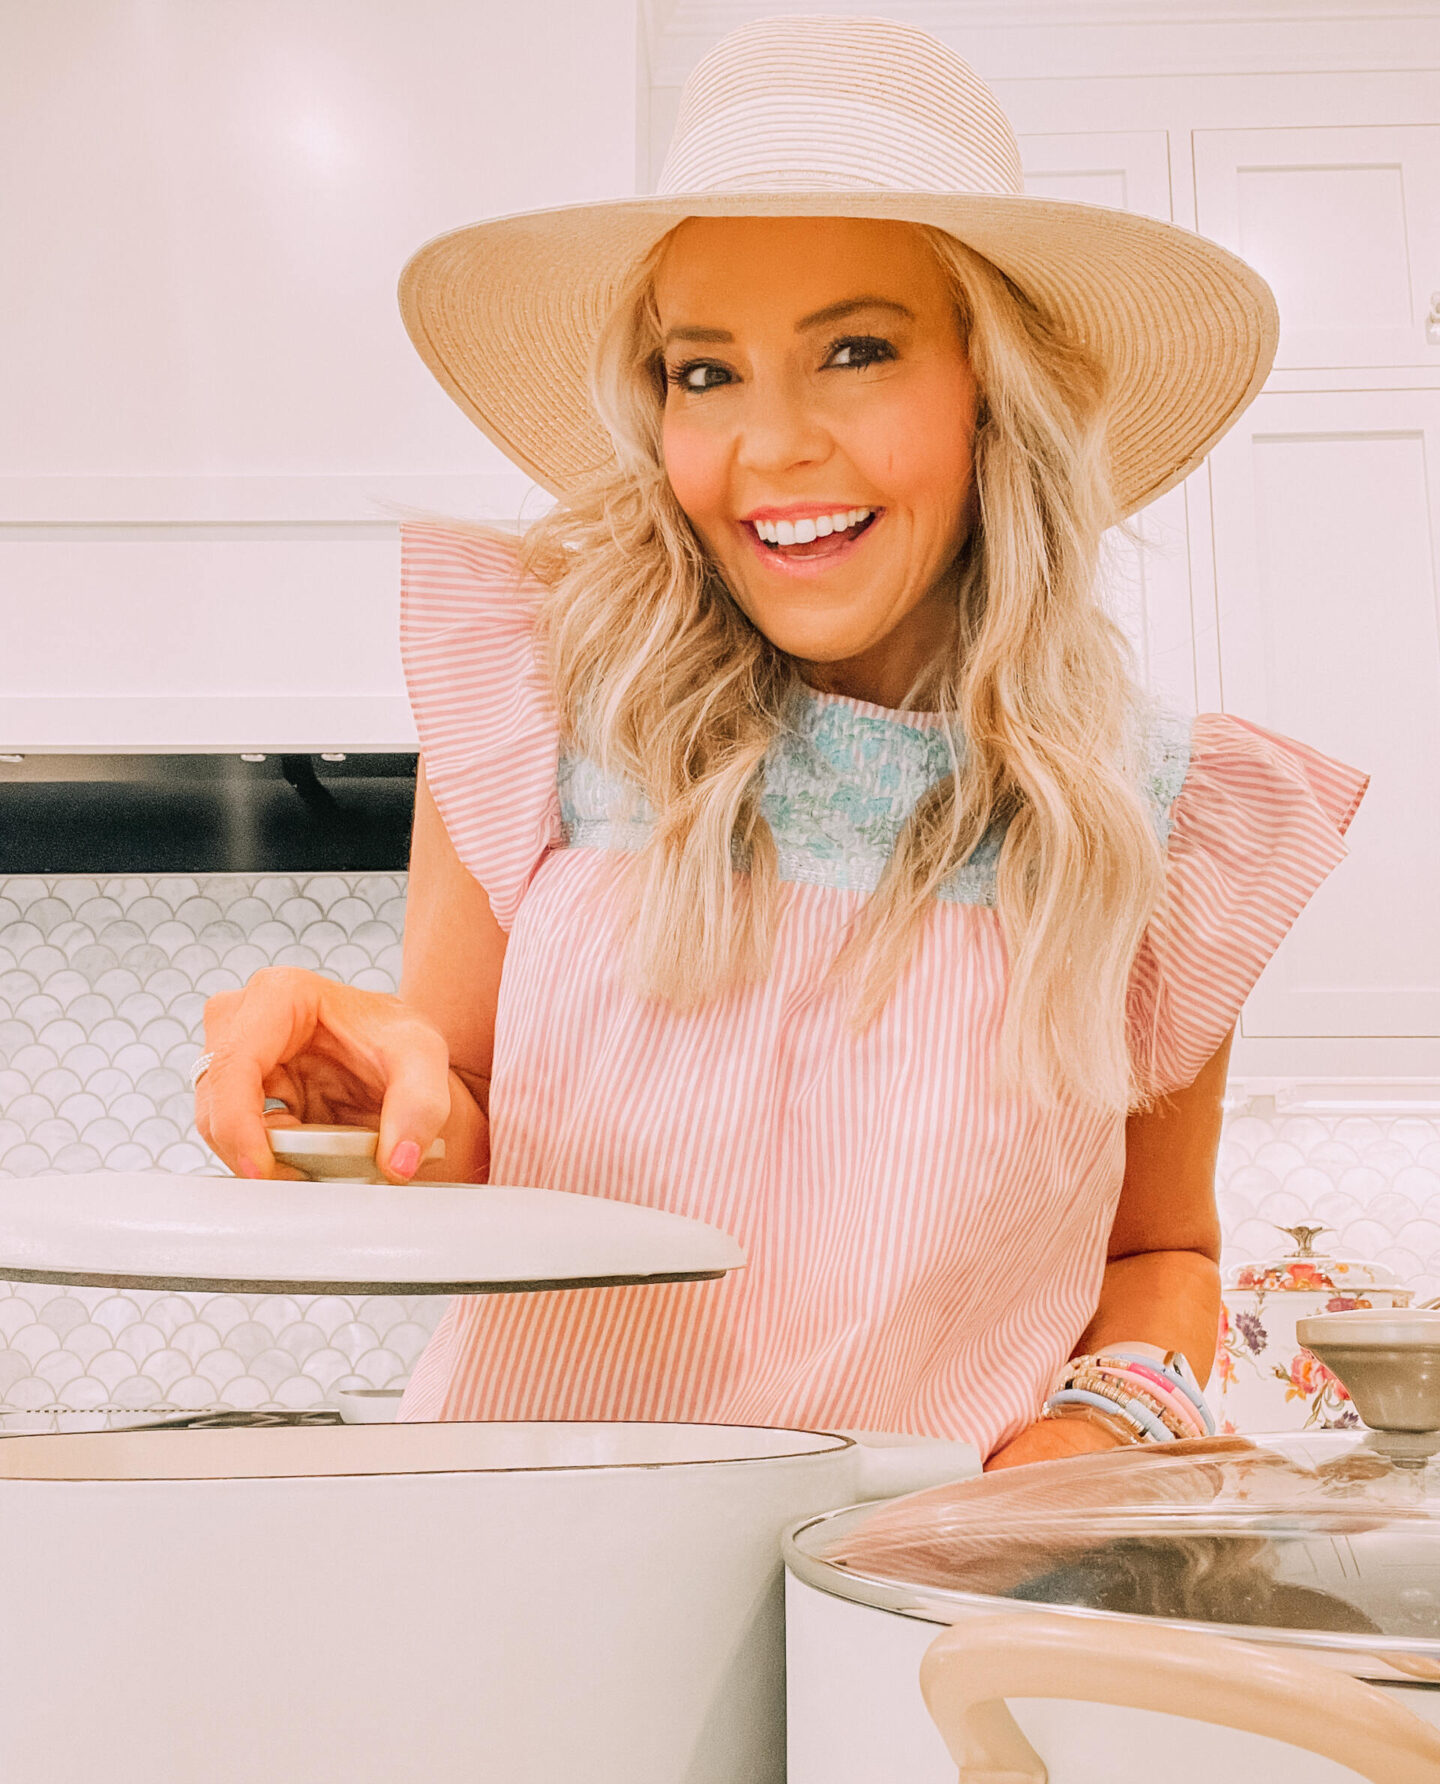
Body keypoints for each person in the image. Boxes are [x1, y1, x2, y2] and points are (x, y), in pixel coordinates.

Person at [194, 17, 1367, 1469]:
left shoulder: (1164, 821)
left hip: (915, 1603)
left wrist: (1083, 1443)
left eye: (857, 351)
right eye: (705, 372)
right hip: (520, 1551)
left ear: (992, 386)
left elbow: (1161, 1255)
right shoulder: (542, 711)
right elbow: (471, 1135)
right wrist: (381, 1102)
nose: (771, 445)